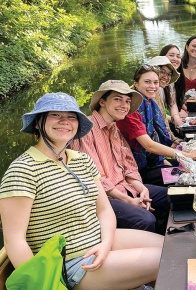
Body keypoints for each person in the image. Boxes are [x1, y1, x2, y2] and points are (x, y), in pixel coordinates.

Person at [0, 92, 163, 289]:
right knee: (169, 258)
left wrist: (105, 245)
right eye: (55, 115)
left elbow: (104, 211)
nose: (64, 122)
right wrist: (42, 283)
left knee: (173, 246)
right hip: (70, 263)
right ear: (37, 123)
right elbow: (14, 240)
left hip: (99, 241)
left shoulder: (82, 160)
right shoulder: (23, 170)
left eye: (71, 117)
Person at [71, 80, 169, 234]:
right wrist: (129, 200)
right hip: (103, 198)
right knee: (145, 220)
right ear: (102, 102)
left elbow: (129, 165)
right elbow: (94, 178)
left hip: (125, 187)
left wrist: (141, 189)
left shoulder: (115, 129)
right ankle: (146, 251)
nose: (124, 105)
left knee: (171, 196)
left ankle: (163, 241)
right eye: (117, 99)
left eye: (128, 101)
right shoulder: (85, 131)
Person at [116, 66, 196, 186]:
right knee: (194, 177)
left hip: (154, 162)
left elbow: (160, 138)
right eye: (147, 82)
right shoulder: (131, 109)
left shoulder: (150, 102)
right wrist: (186, 156)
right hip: (138, 170)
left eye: (155, 82)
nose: (152, 86)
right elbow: (149, 145)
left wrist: (166, 161)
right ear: (136, 83)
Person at [160, 44, 188, 128]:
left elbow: (172, 103)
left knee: (185, 116)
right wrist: (174, 120)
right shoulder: (155, 81)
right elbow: (156, 112)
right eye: (171, 55)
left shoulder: (170, 79)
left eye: (178, 56)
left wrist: (176, 118)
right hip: (159, 118)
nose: (175, 59)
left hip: (166, 114)